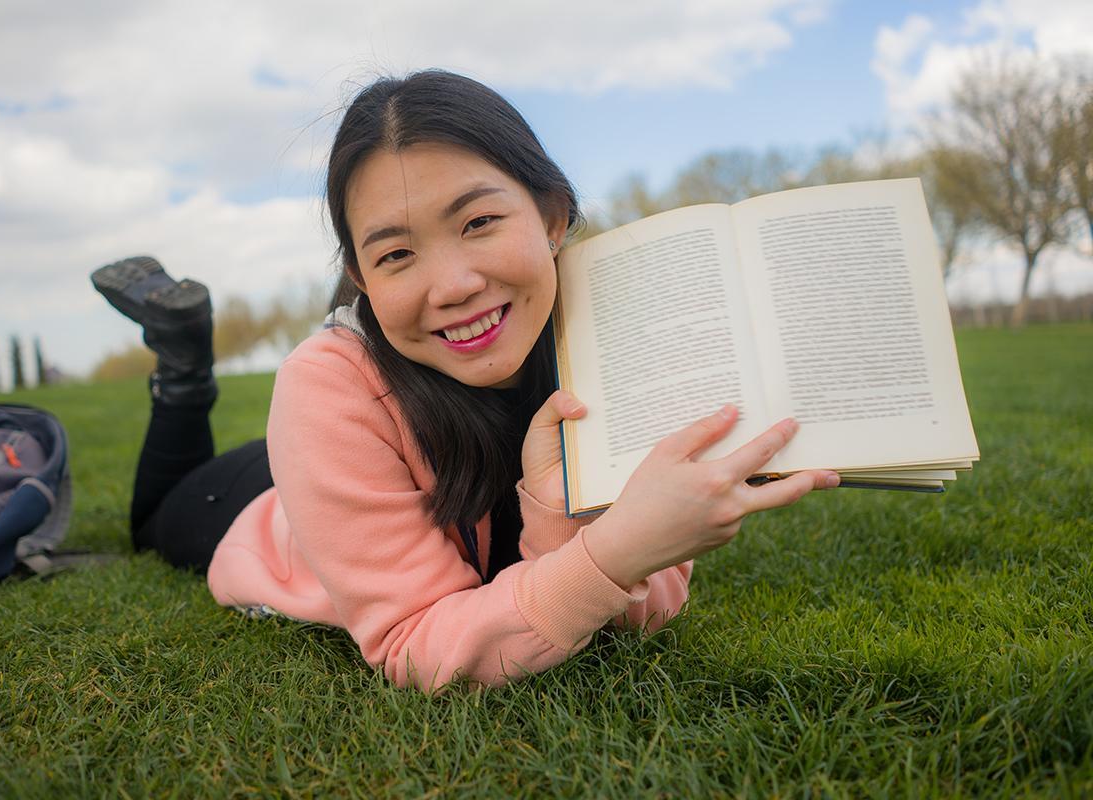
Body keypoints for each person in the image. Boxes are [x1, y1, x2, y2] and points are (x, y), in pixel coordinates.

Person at [93, 70, 839, 692]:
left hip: (353, 465)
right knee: (152, 516)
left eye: (478, 222)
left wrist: (581, 524)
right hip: (254, 508)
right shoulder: (322, 387)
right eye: (395, 255)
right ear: (359, 277)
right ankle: (187, 362)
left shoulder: (617, 334)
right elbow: (418, 644)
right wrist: (612, 551)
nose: (451, 285)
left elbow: (642, 610)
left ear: (551, 215)